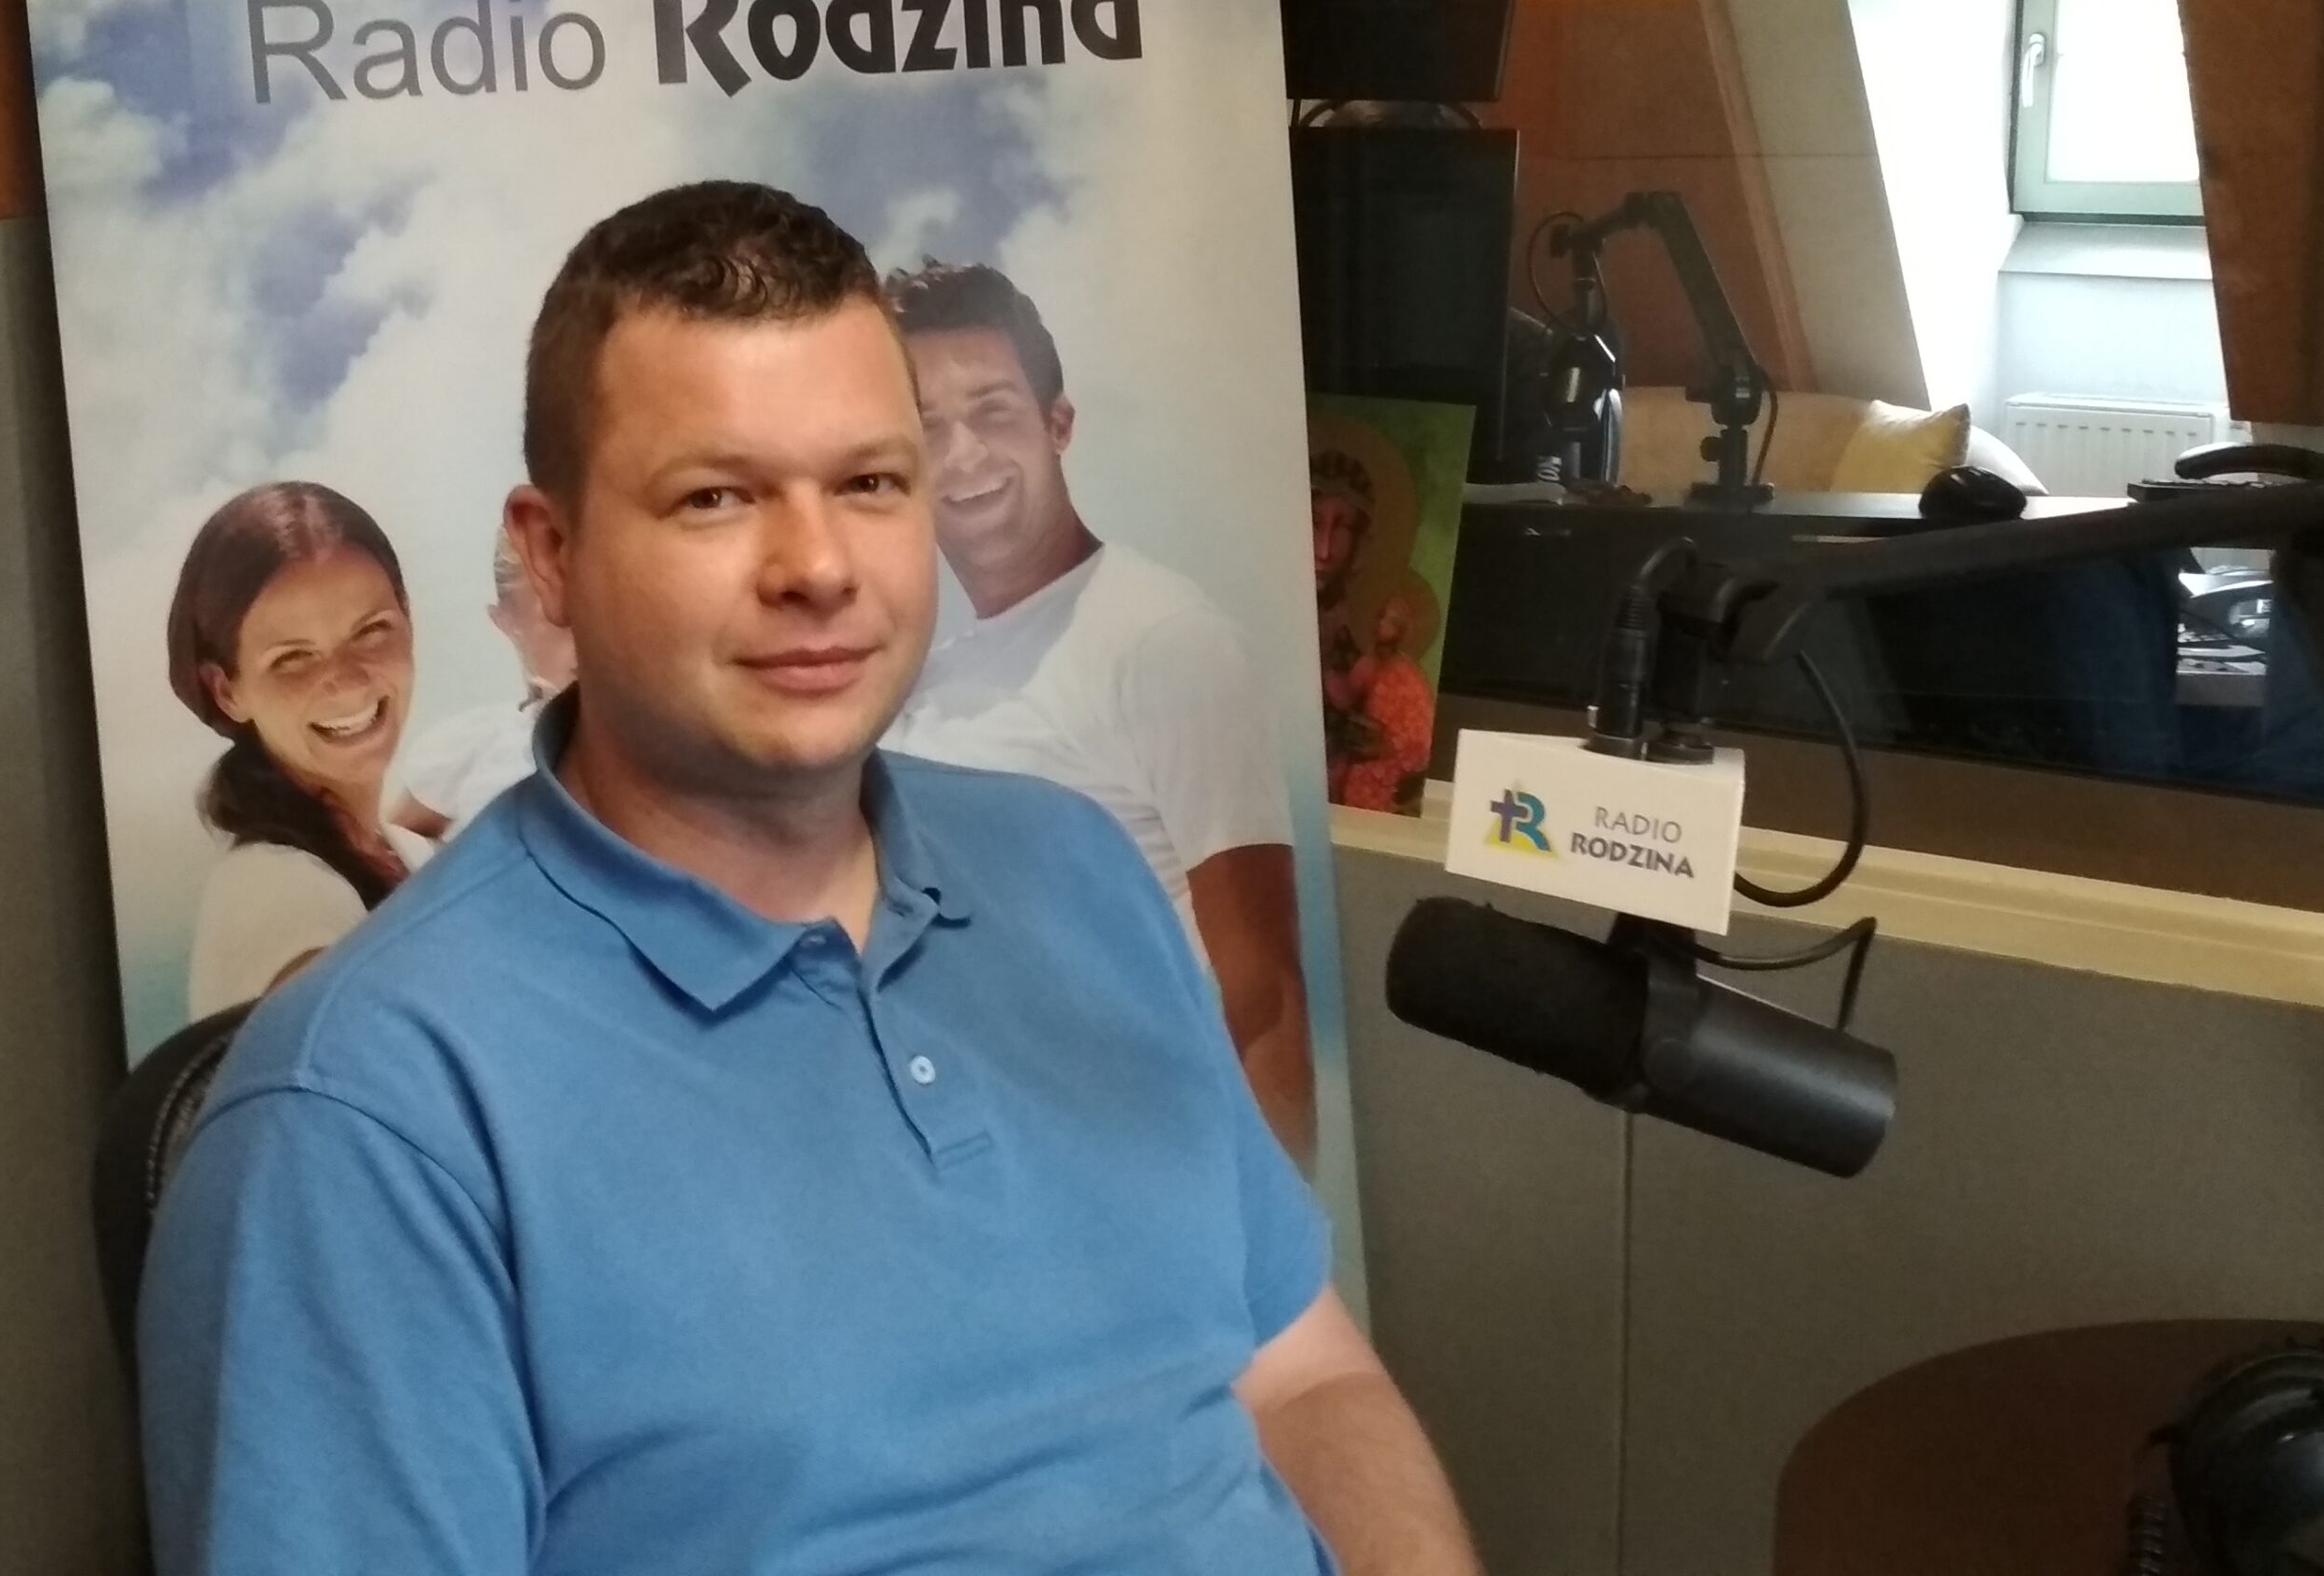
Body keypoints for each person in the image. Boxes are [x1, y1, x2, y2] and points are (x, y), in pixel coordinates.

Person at [140, 182, 1477, 1575]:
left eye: (870, 484)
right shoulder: (365, 1116)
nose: (819, 566)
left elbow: (1303, 1377)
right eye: (716, 497)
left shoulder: (1079, 870)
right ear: (552, 554)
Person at [880, 259, 1318, 1159]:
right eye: (927, 428)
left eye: (993, 413)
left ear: (1058, 424)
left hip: (1129, 1166)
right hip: (974, 1171)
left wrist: (1280, 1225)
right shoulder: (927, 682)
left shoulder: (1162, 640)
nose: (963, 457)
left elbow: (1265, 993)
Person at [168, 481, 430, 1020]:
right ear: (227, 690)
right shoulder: (279, 895)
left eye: (372, 630)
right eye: (293, 659)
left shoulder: (410, 855)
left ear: (409, 620)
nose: (347, 681)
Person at [387, 523, 577, 846]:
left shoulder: (659, 746)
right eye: (559, 616)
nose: (590, 638)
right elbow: (389, 848)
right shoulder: (471, 750)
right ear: (506, 621)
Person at [1312, 450, 1438, 814]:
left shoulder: (1359, 653)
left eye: (1342, 529)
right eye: (1313, 522)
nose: (1323, 550)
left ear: (1361, 545)